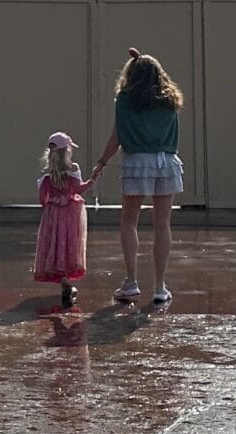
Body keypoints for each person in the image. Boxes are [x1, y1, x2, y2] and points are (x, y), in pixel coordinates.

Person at [91, 48, 185, 305]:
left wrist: (101, 162)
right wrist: (144, 60)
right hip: (166, 160)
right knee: (162, 224)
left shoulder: (124, 100)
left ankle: (131, 282)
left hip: (136, 161)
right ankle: (159, 287)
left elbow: (116, 137)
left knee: (128, 221)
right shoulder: (171, 102)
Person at [31, 131, 95, 312]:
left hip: (53, 214)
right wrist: (94, 179)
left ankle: (63, 280)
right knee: (70, 244)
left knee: (56, 244)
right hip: (71, 213)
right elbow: (79, 188)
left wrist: (51, 206)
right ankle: (67, 282)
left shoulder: (46, 173)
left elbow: (43, 198)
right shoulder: (73, 168)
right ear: (66, 150)